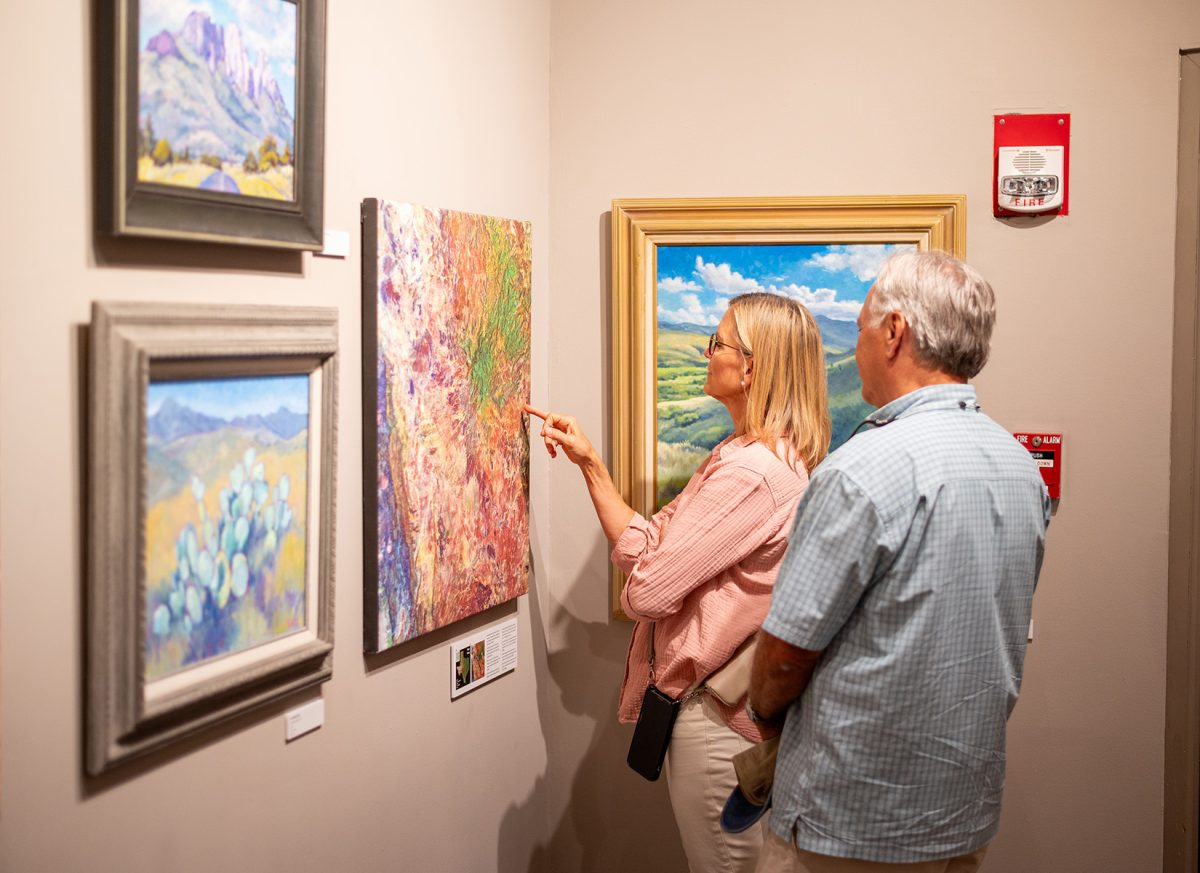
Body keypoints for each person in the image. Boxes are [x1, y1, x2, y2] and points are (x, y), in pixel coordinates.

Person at [746, 250, 1050, 873]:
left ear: (894, 332)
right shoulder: (1019, 466)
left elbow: (785, 655)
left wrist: (762, 714)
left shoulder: (860, 471)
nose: (854, 346)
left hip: (853, 822)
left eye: (859, 328)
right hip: (960, 807)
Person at [526, 292, 831, 873]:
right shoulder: (747, 455)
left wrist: (652, 570)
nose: (707, 350)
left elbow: (646, 591)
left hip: (719, 728)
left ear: (753, 367)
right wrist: (591, 465)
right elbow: (650, 546)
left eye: (719, 343)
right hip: (730, 719)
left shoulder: (750, 471)